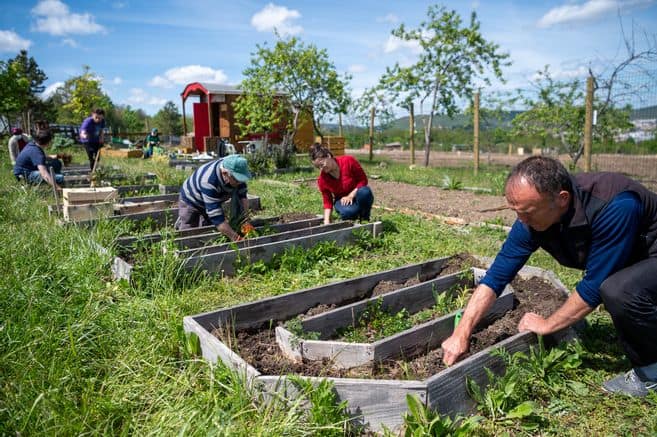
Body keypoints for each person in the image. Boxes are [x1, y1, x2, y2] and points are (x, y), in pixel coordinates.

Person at [441, 156, 657, 397]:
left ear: (562, 199)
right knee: (620, 287)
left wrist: (548, 324)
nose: (522, 221)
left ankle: (650, 373)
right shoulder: (533, 219)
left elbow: (594, 286)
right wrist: (461, 333)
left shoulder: (615, 205)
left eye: (528, 213)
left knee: (619, 290)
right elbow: (496, 276)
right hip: (636, 257)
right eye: (516, 212)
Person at [175, 154, 254, 241]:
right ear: (225, 173)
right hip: (190, 198)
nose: (240, 182)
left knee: (208, 227)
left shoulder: (236, 175)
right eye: (237, 179)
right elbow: (218, 219)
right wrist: (236, 238)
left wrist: (246, 221)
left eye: (241, 179)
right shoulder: (209, 181)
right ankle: (183, 238)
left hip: (212, 196)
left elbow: (243, 197)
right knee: (189, 227)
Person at [309, 142, 374, 225]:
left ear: (328, 156)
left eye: (322, 164)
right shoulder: (322, 180)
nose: (321, 169)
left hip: (357, 194)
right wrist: (326, 221)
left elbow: (363, 180)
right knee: (348, 212)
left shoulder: (348, 161)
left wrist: (350, 195)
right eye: (318, 167)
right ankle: (354, 216)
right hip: (341, 200)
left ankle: (365, 218)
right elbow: (327, 201)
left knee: (365, 192)